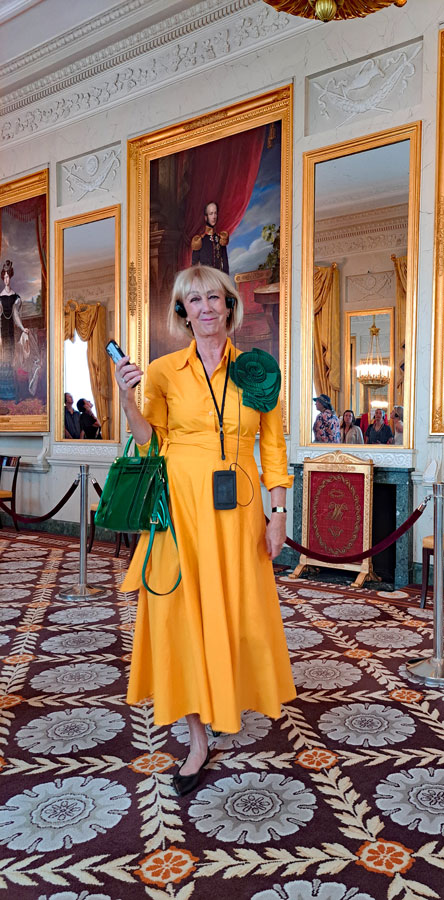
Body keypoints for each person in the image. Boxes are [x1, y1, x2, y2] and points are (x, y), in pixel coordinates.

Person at [114, 263, 294, 797]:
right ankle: (196, 738)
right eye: (193, 300)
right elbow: (149, 442)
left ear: (230, 306)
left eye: (214, 298)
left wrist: (278, 510)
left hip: (238, 514)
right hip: (180, 510)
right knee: (182, 620)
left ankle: (226, 697)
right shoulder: (164, 371)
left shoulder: (257, 371)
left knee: (236, 615)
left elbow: (274, 446)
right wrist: (128, 399)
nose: (205, 308)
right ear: (181, 312)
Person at [0, 260, 29, 400]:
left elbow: (16, 316)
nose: (6, 279)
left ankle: (11, 394)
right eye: (4, 276)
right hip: (1, 332)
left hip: (10, 332)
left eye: (8, 276)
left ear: (11, 277)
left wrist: (23, 328)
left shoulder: (15, 297)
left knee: (10, 359)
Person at [191, 201, 230, 274]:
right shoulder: (199, 240)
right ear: (206, 217)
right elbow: (194, 266)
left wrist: (225, 279)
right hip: (205, 280)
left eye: (215, 213)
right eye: (211, 214)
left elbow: (225, 263)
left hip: (219, 280)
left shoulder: (221, 238)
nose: (214, 216)